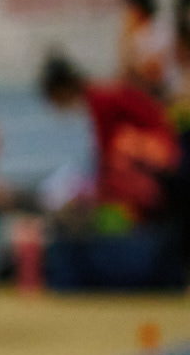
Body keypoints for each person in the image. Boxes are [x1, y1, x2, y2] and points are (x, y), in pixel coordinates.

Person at [39, 54, 182, 232]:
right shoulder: (98, 94)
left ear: (62, 90)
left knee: (115, 165)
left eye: (55, 99)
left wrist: (98, 191)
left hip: (160, 153)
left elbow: (106, 149)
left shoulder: (100, 98)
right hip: (156, 151)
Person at [117, 0, 177, 103]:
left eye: (131, 6)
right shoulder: (132, 30)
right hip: (140, 88)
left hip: (161, 90)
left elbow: (154, 68)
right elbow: (125, 64)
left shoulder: (159, 27)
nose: (128, 11)